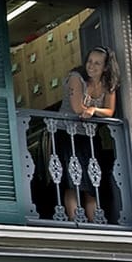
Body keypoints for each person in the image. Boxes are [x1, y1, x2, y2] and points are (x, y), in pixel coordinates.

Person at [56, 45, 120, 222]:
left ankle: (94, 224)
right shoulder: (76, 78)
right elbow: (77, 108)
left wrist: (93, 109)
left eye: (97, 63)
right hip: (66, 134)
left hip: (89, 137)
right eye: (89, 62)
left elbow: (110, 111)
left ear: (106, 67)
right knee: (72, 181)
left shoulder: (108, 84)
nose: (91, 66)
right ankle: (76, 222)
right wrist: (92, 110)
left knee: (91, 184)